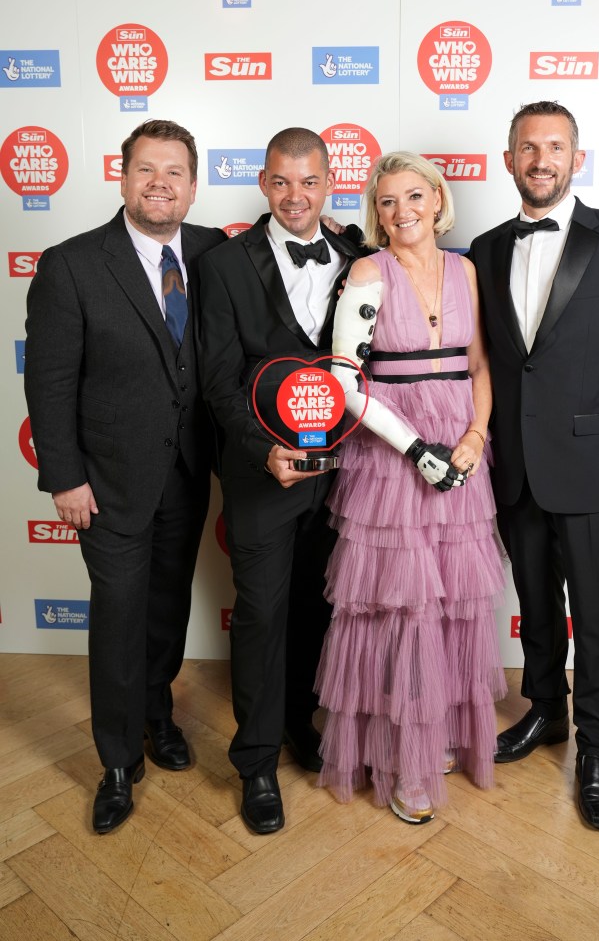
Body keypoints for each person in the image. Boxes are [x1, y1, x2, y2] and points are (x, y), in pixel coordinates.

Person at [469, 101, 599, 830]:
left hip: (597, 468)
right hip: (516, 467)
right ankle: (544, 713)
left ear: (575, 158)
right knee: (534, 607)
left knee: (595, 613)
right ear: (508, 160)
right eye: (527, 147)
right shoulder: (486, 248)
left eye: (554, 146)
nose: (540, 159)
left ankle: (596, 745)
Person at [24, 119, 227, 833]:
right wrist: (64, 477)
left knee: (167, 606)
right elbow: (48, 382)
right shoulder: (72, 264)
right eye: (147, 169)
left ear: (193, 185)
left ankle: (155, 715)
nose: (160, 183)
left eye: (174, 171)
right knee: (118, 615)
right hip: (105, 483)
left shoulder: (212, 251)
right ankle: (116, 760)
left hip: (186, 472)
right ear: (123, 176)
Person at [316, 152, 506, 824]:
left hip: (459, 446)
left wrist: (473, 439)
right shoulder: (367, 271)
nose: (402, 212)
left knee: (453, 604)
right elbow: (342, 382)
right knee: (402, 613)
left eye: (413, 196)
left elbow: (480, 364)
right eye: (388, 201)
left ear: (437, 198)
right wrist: (415, 449)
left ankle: (435, 737)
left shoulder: (466, 271)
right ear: (377, 211)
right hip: (393, 454)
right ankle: (400, 759)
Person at [198, 127, 371, 835]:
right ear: (263, 184)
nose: (294, 196)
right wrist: (263, 448)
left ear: (328, 184)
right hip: (262, 472)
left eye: (308, 182)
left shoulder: (360, 258)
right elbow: (216, 378)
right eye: (280, 182)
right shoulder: (223, 264)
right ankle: (256, 761)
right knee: (263, 612)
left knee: (317, 608)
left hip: (345, 477)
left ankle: (301, 723)